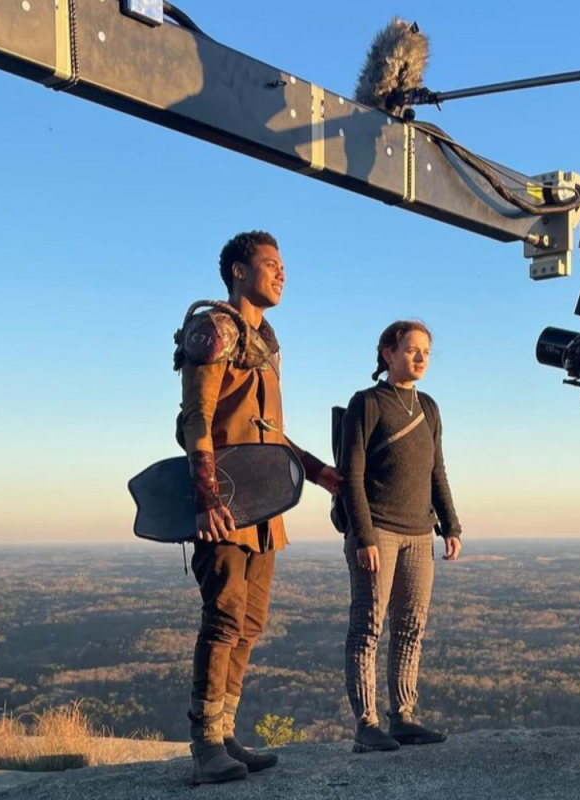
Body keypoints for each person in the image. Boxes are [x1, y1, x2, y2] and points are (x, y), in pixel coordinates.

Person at [174, 230, 340, 784]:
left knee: (248, 623)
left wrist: (319, 475)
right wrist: (205, 499)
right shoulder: (214, 330)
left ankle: (226, 735)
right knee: (222, 619)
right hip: (222, 503)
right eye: (271, 263)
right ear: (239, 272)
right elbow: (194, 419)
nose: (282, 273)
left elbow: (271, 435)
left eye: (283, 265)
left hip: (265, 510)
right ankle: (204, 746)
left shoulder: (267, 342)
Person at [338, 320, 461, 753]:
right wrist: (365, 535)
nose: (421, 357)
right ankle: (366, 724)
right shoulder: (367, 403)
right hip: (378, 533)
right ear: (388, 354)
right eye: (412, 349)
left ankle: (403, 716)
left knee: (411, 627)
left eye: (426, 350)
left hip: (418, 533)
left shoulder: (428, 407)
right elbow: (350, 474)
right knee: (368, 627)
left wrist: (450, 524)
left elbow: (436, 471)